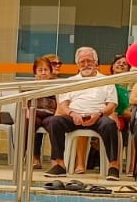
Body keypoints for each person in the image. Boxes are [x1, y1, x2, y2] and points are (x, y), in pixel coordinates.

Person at [45, 47, 119, 179]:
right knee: (55, 121)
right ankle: (59, 164)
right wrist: (72, 113)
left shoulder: (106, 81)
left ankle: (113, 166)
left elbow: (112, 105)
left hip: (98, 116)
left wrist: (99, 114)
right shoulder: (70, 81)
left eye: (89, 61)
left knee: (110, 124)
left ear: (96, 62)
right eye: (82, 62)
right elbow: (63, 105)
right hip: (75, 116)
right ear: (77, 64)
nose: (86, 64)